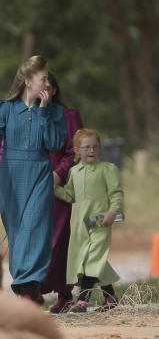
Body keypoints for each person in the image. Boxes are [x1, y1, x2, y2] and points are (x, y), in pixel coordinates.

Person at [0, 55, 66, 303]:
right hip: (10, 176)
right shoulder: (4, 108)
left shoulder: (54, 112)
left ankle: (28, 287)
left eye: (48, 77)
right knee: (17, 232)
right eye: (43, 78)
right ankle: (25, 289)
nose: (47, 82)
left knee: (35, 228)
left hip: (39, 172)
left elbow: (54, 143)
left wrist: (42, 112)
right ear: (28, 81)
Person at [54, 129, 122, 313]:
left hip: (100, 222)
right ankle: (111, 298)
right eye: (87, 147)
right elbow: (70, 195)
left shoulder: (107, 169)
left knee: (92, 259)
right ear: (77, 150)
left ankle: (83, 301)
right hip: (80, 225)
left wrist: (112, 212)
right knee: (92, 260)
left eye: (95, 147)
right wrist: (53, 189)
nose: (91, 150)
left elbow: (116, 195)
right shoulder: (74, 172)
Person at [42, 72, 85, 313]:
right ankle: (34, 289)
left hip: (58, 183)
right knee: (33, 238)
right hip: (31, 182)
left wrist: (58, 174)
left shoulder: (69, 116)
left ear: (54, 90)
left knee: (58, 239)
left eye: (48, 86)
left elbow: (74, 151)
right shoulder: (25, 114)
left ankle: (64, 292)